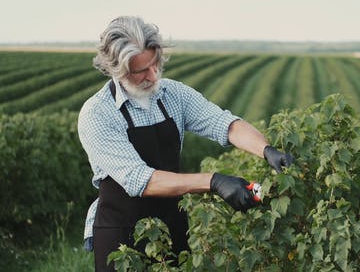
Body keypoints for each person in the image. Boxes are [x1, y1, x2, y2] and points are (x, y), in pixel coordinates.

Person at [77, 16, 293, 271]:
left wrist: (266, 150)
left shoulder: (172, 94)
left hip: (171, 223)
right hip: (122, 235)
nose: (153, 75)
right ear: (117, 69)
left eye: (155, 64)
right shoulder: (97, 114)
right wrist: (213, 181)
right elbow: (140, 179)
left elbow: (224, 123)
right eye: (141, 71)